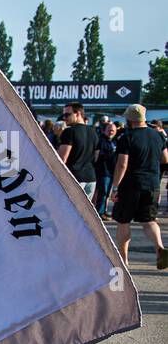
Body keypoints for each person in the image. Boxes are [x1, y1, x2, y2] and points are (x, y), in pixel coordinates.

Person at [110, 103, 168, 269]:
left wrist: (115, 187)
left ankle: (123, 260)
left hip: (130, 185)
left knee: (123, 221)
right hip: (152, 184)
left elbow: (122, 164)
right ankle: (160, 248)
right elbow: (165, 159)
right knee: (148, 220)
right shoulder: (158, 136)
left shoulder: (127, 137)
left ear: (129, 119)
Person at [57, 102, 99, 203]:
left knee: (68, 211)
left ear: (78, 114)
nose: (64, 118)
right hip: (90, 178)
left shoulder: (69, 131)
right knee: (84, 214)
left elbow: (62, 159)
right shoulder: (93, 132)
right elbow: (96, 156)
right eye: (63, 115)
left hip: (74, 178)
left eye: (67, 114)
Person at [94, 120, 117, 218]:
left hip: (111, 171)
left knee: (106, 193)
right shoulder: (101, 141)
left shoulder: (114, 141)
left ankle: (103, 210)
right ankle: (99, 212)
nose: (111, 132)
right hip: (103, 171)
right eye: (109, 130)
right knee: (103, 192)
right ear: (104, 131)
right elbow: (96, 155)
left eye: (113, 130)